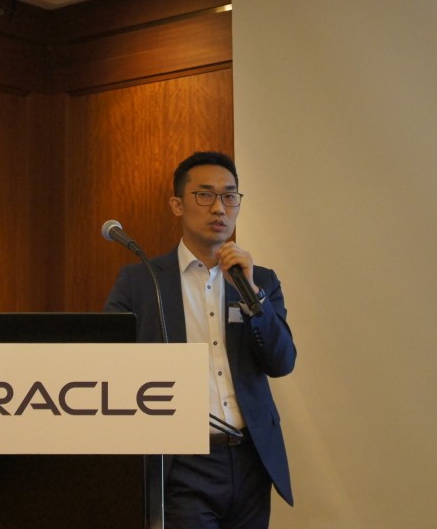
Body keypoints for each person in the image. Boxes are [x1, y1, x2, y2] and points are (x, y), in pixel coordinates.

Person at [104, 151, 296, 528]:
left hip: (250, 458)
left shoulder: (260, 281)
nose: (219, 208)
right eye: (205, 195)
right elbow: (108, 365)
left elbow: (281, 362)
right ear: (177, 205)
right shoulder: (140, 281)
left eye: (229, 196)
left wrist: (253, 296)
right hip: (181, 463)